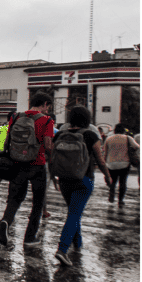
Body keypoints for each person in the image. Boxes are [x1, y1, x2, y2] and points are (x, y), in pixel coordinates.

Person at [51, 106, 112, 266]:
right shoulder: (91, 135)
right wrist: (107, 175)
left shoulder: (60, 135)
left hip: (64, 180)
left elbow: (52, 157)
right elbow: (100, 159)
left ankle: (77, 245)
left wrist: (53, 177)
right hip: (83, 180)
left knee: (73, 212)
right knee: (74, 215)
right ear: (87, 119)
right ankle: (62, 249)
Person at [0, 93, 54, 248]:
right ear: (45, 104)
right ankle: (29, 237)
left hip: (17, 164)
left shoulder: (15, 117)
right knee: (37, 202)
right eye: (47, 106)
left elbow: (7, 140)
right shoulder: (47, 120)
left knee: (14, 199)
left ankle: (5, 221)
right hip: (37, 164)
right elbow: (48, 145)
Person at [102, 123, 139, 206]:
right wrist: (130, 150)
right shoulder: (127, 138)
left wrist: (104, 164)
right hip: (124, 163)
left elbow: (105, 152)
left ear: (114, 131)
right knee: (122, 182)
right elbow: (137, 146)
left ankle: (111, 194)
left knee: (113, 181)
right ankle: (120, 200)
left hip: (111, 164)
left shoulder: (109, 139)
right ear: (123, 131)